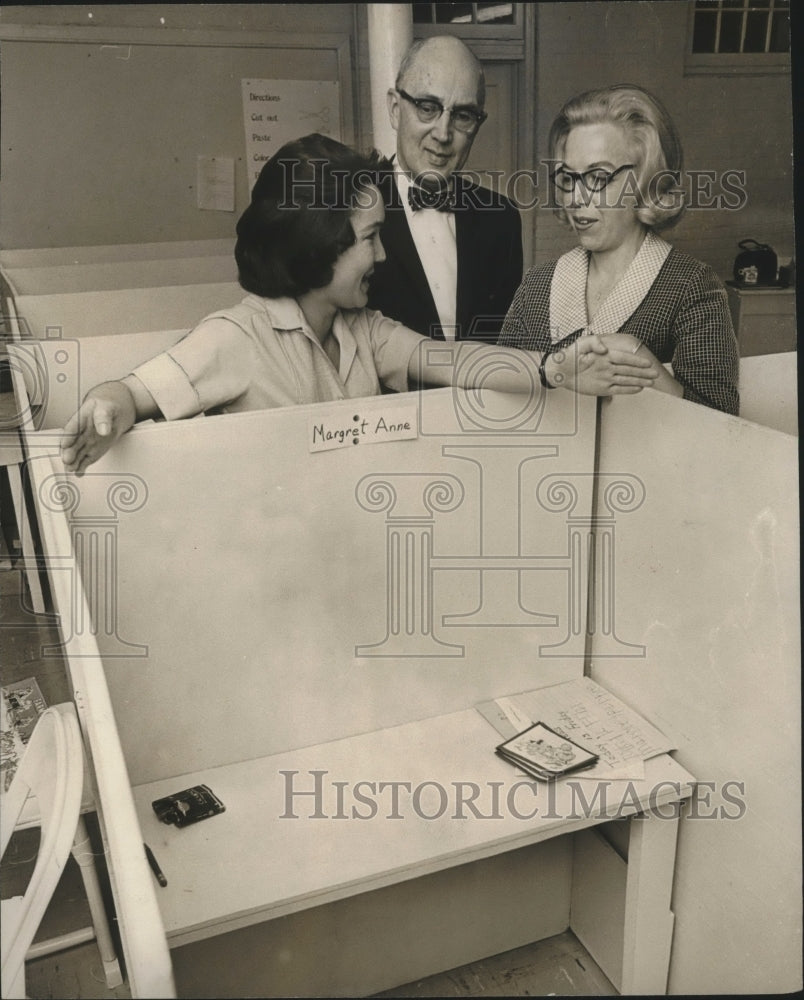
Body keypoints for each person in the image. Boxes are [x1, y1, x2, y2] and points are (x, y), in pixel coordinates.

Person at [60, 134, 659, 476]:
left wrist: (551, 369)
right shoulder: (236, 337)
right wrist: (103, 407)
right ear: (323, 243)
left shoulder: (362, 330)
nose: (381, 255)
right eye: (371, 237)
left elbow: (450, 360)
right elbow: (131, 393)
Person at [498, 84, 739, 415]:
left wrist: (648, 369)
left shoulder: (693, 286)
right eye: (568, 178)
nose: (576, 198)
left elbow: (724, 428)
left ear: (644, 179)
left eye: (598, 177)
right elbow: (496, 400)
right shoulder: (537, 285)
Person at [367, 35, 522, 343]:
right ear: (395, 109)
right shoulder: (349, 208)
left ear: (478, 124)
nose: (443, 133)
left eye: (463, 115)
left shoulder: (502, 219)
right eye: (427, 107)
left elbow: (504, 346)